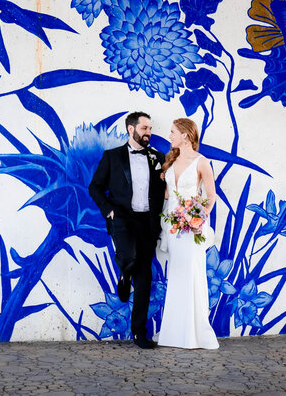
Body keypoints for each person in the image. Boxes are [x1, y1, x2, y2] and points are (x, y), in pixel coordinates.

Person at [88, 111, 166, 349]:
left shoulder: (157, 157)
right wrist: (109, 211)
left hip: (148, 222)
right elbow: (95, 187)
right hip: (122, 219)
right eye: (144, 128)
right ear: (131, 129)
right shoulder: (112, 157)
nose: (148, 133)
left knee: (145, 277)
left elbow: (163, 188)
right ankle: (125, 273)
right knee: (129, 257)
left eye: (150, 129)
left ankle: (139, 333)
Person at [156, 117, 219, 350]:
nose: (170, 135)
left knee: (192, 275)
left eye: (173, 132)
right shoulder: (170, 161)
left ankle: (195, 334)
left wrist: (198, 218)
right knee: (177, 276)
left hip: (192, 229)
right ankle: (174, 334)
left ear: (185, 134)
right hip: (172, 226)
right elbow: (166, 195)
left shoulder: (202, 162)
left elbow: (210, 196)